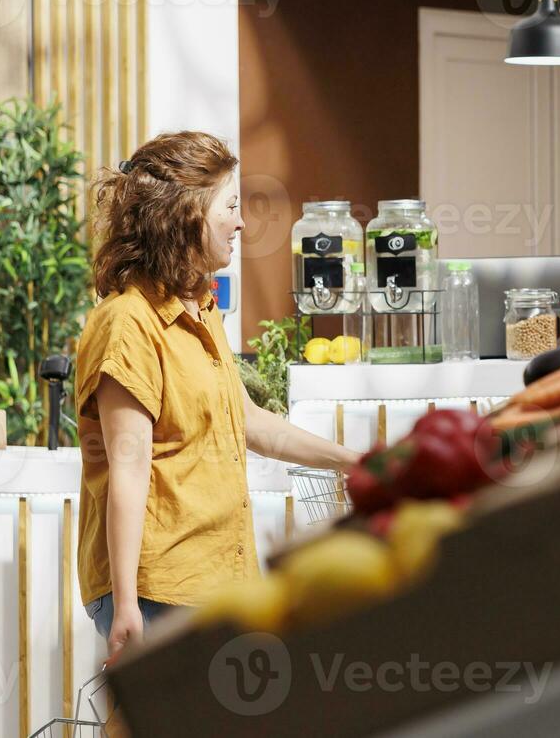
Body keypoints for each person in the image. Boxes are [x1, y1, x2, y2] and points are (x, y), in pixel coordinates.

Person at [76, 131, 358, 661]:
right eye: (230, 205)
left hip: (214, 577)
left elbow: (248, 423)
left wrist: (352, 461)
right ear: (185, 215)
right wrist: (128, 605)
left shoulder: (200, 310)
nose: (243, 221)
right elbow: (128, 469)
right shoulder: (128, 324)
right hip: (162, 587)